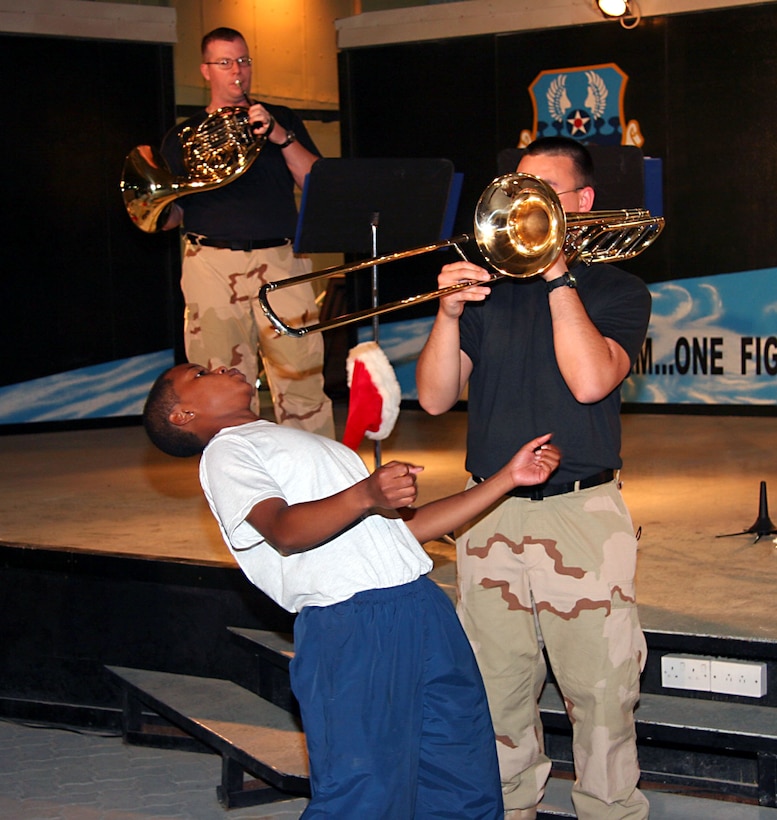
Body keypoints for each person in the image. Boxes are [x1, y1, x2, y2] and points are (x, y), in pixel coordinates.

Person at [142, 361, 561, 819]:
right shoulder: (228, 453)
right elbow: (282, 529)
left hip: (419, 606)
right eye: (200, 374)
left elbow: (408, 529)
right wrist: (365, 494)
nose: (223, 366)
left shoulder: (297, 442)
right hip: (353, 625)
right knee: (364, 794)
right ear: (182, 415)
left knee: (460, 776)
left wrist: (507, 479)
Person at [415, 136, 652, 820]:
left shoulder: (617, 289)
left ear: (578, 205)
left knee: (600, 689)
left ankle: (608, 810)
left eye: (543, 196)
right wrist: (449, 312)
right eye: (517, 191)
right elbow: (433, 399)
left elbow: (589, 381)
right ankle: (509, 806)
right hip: (488, 512)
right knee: (496, 685)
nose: (525, 207)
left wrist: (555, 276)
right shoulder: (484, 291)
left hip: (581, 513)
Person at [159, 26, 334, 439]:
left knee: (302, 381)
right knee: (221, 391)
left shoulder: (280, 119)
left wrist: (280, 136)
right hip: (210, 264)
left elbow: (318, 183)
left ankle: (321, 487)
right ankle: (243, 485)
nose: (237, 71)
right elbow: (173, 214)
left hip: (281, 261)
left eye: (244, 61)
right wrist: (149, 209)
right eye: (225, 62)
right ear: (206, 71)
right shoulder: (184, 136)